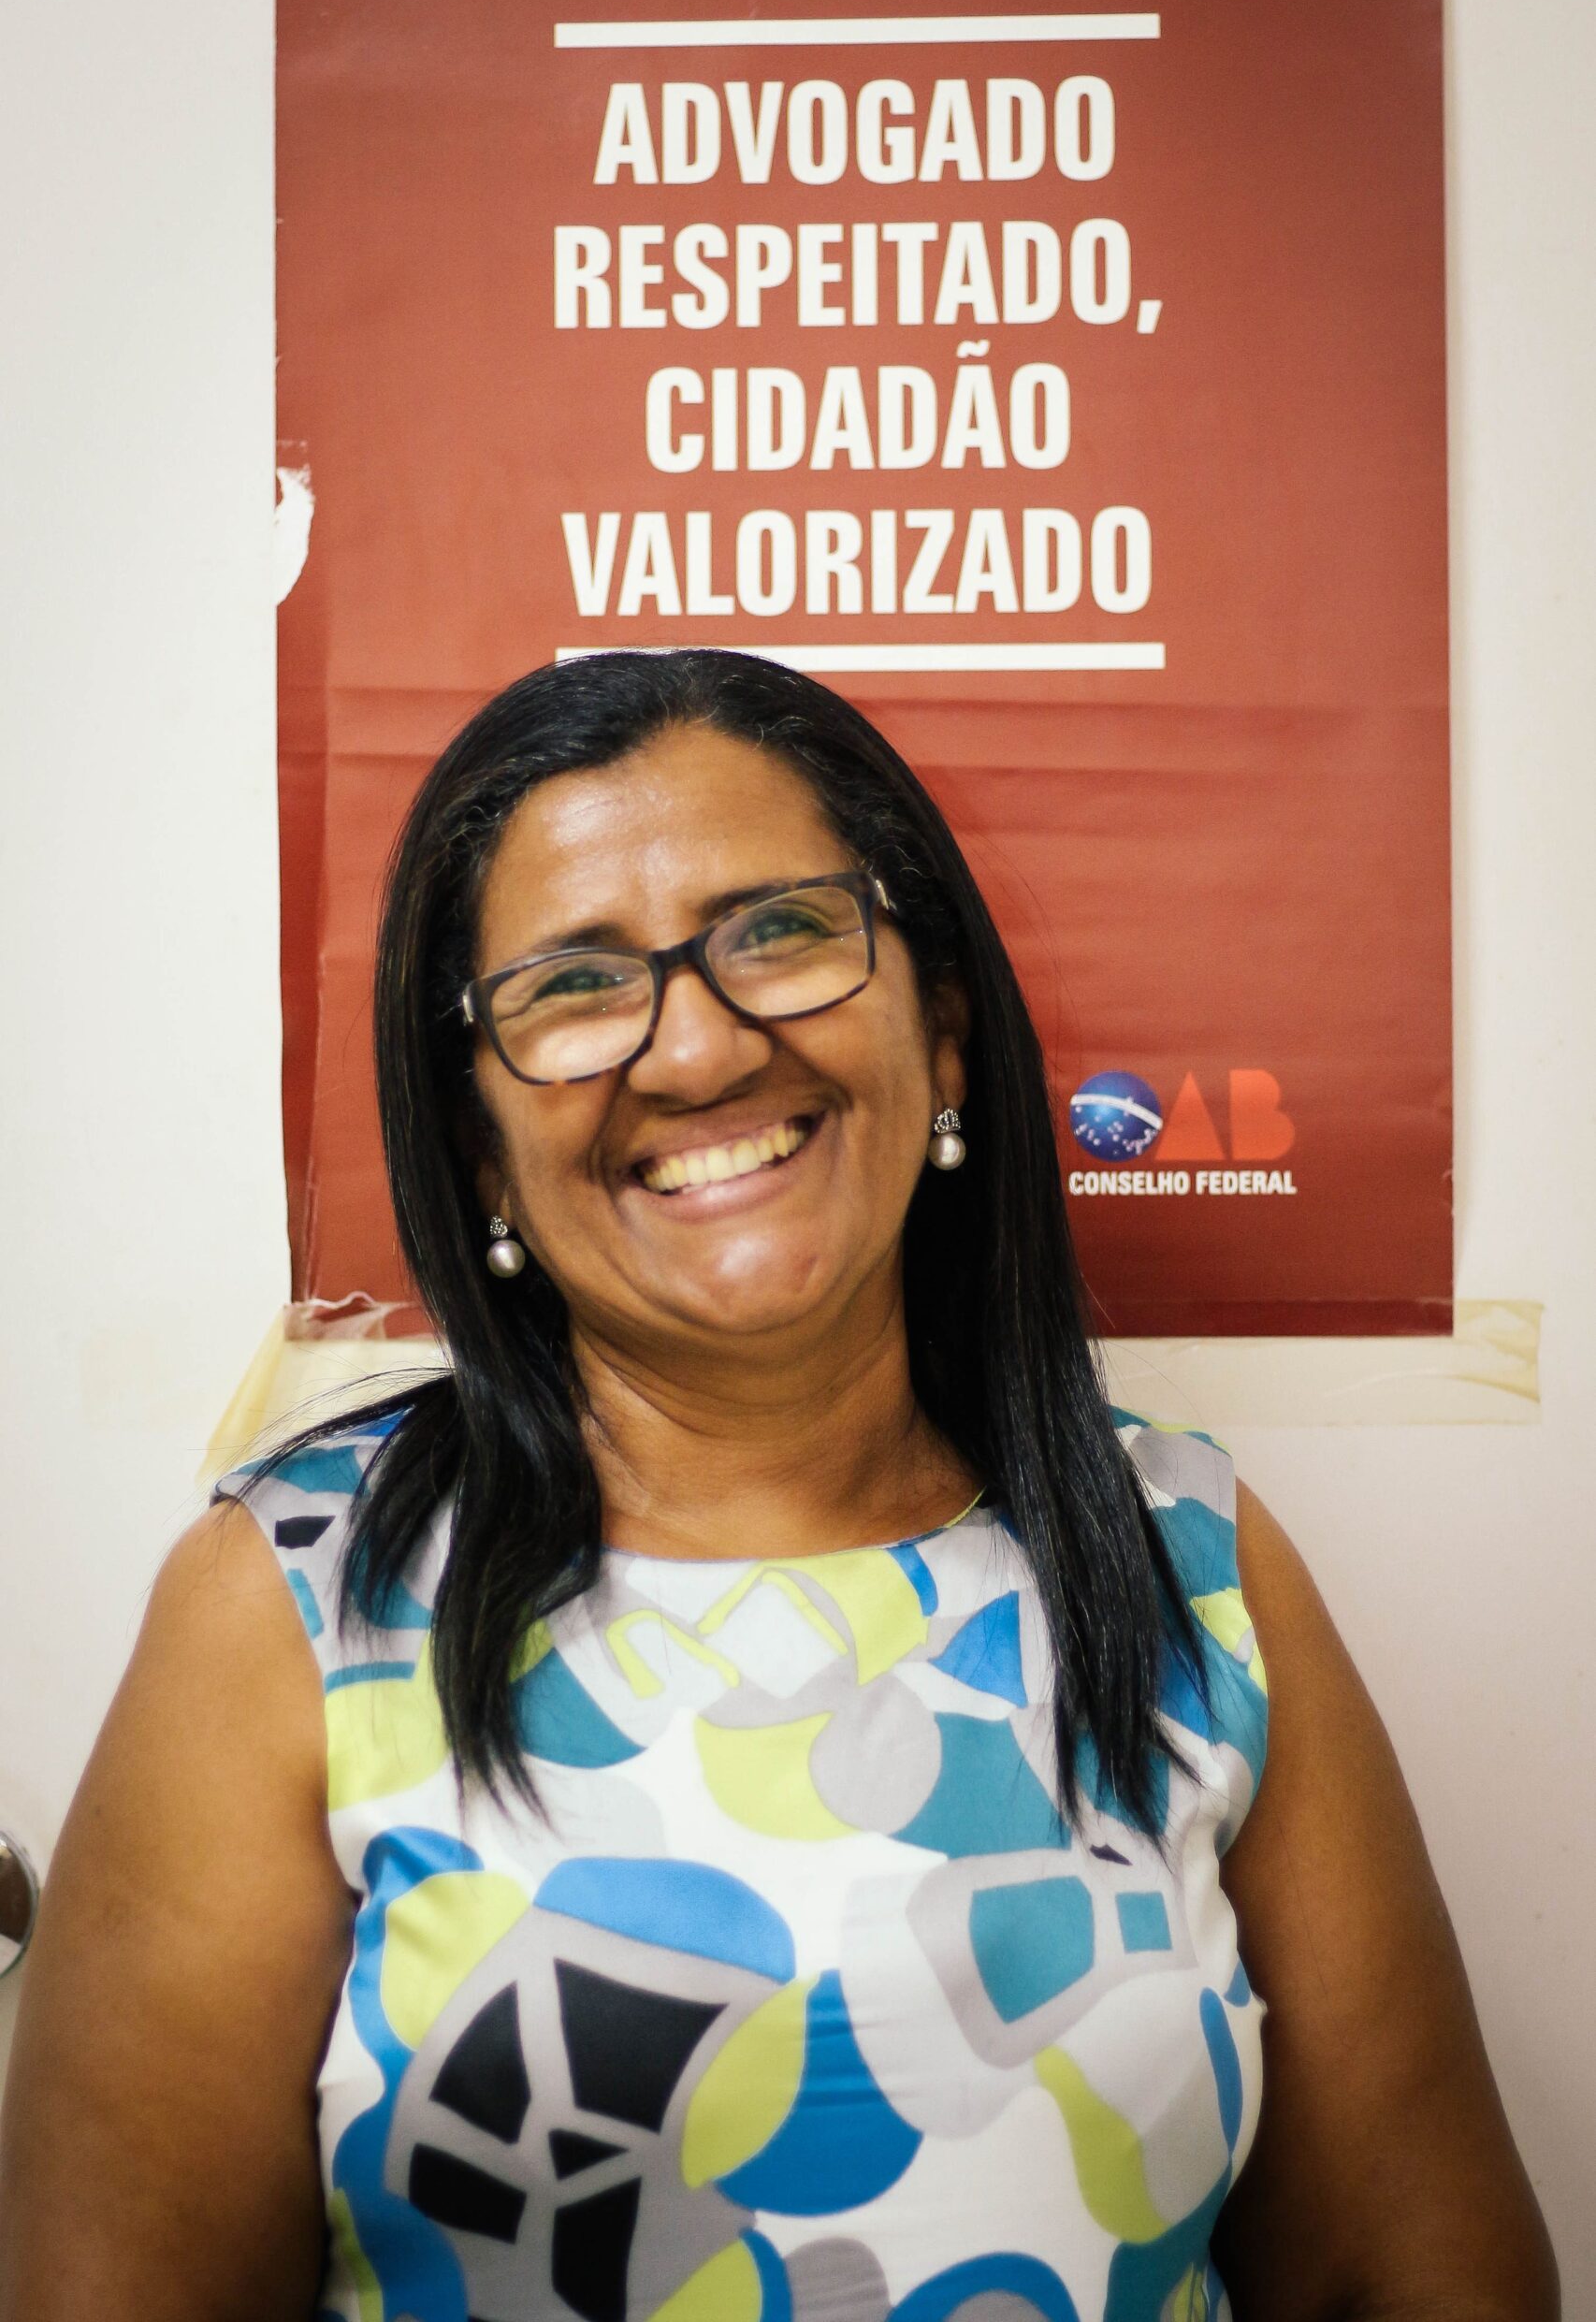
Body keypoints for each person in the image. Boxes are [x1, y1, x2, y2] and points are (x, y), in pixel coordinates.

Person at [0, 651, 1556, 2321]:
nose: (693, 1048)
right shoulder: (294, 1603)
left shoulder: (1185, 1564)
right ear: (477, 1151)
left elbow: (1414, 2273)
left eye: (780, 933)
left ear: (940, 1035)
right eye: (573, 984)